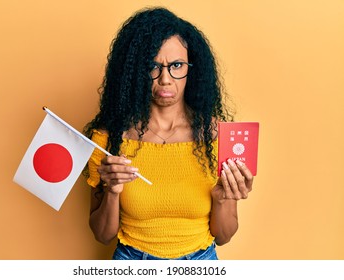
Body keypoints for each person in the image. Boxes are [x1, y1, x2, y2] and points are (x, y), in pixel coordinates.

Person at [83, 7, 254, 260]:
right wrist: (112, 190)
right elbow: (103, 235)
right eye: (153, 66)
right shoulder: (110, 139)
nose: (165, 79)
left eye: (176, 65)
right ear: (134, 72)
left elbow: (224, 236)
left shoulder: (218, 136)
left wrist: (221, 199)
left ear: (192, 69)